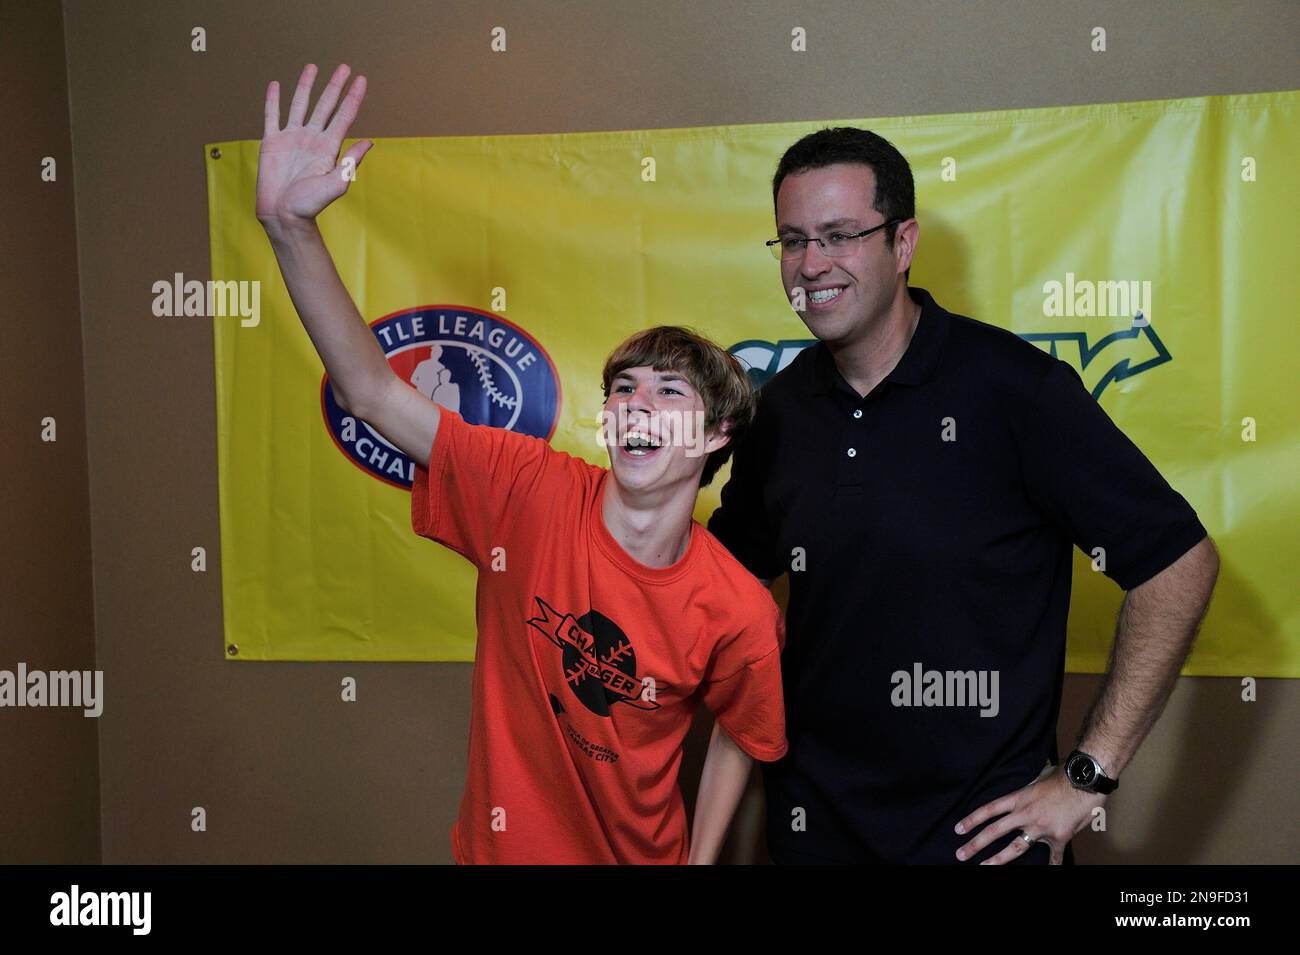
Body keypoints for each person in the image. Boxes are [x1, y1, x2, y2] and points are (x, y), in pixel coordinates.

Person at [255, 62, 786, 864]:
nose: (637, 404)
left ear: (716, 436)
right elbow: (369, 391)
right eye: (622, 389)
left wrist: (701, 859)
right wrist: (289, 229)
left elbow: (743, 734)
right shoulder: (526, 491)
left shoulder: (739, 608)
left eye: (668, 391)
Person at [708, 126, 1219, 865]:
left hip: (985, 845)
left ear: (904, 242)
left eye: (840, 235)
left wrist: (1088, 775)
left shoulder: (1017, 391)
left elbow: (1179, 562)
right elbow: (723, 590)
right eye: (792, 240)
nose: (810, 264)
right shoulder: (779, 412)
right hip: (811, 836)